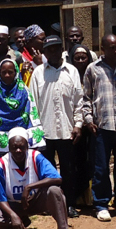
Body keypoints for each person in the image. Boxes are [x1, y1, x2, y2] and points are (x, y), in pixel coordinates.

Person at [0, 128, 78, 229]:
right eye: (14, 147)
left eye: (21, 147)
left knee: (55, 191)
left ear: (27, 146)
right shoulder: (1, 164)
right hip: (13, 206)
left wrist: (29, 187)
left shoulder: (36, 157)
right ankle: (15, 226)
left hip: (35, 202)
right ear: (9, 147)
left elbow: (57, 178)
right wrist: (12, 215)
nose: (18, 150)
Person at [81, 34, 116, 222]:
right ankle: (101, 204)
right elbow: (86, 98)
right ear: (102, 49)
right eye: (111, 47)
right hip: (102, 127)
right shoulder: (93, 69)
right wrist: (89, 120)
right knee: (101, 168)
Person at [28, 35, 84, 217]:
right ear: (44, 52)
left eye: (56, 48)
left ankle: (69, 204)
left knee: (69, 170)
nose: (53, 52)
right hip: (45, 132)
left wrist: (78, 124)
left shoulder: (72, 72)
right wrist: (37, 130)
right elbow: (32, 103)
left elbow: (78, 101)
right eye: (49, 49)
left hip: (68, 131)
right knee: (47, 172)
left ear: (62, 49)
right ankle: (49, 204)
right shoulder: (38, 73)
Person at [0, 58, 45, 159]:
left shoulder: (23, 91)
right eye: (4, 72)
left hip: (20, 144)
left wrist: (36, 139)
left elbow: (31, 113)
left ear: (16, 73)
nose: (7, 75)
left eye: (10, 72)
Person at [67, 43, 95, 210]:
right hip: (74, 127)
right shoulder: (69, 74)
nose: (80, 60)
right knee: (75, 162)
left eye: (83, 57)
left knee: (90, 162)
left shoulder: (93, 74)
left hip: (91, 128)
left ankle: (89, 198)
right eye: (76, 58)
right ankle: (77, 196)